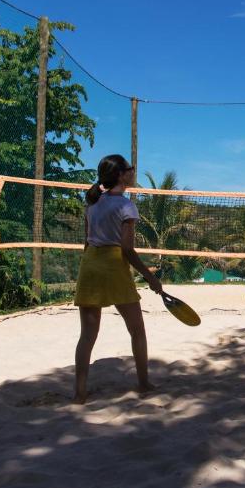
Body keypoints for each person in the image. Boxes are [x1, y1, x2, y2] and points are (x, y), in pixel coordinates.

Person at [72, 154, 163, 404]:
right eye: (130, 169)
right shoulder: (126, 206)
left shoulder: (92, 204)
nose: (133, 172)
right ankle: (143, 384)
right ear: (121, 175)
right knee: (137, 330)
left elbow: (87, 242)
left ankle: (79, 394)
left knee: (87, 335)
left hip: (90, 264)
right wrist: (150, 278)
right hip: (113, 265)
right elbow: (127, 250)